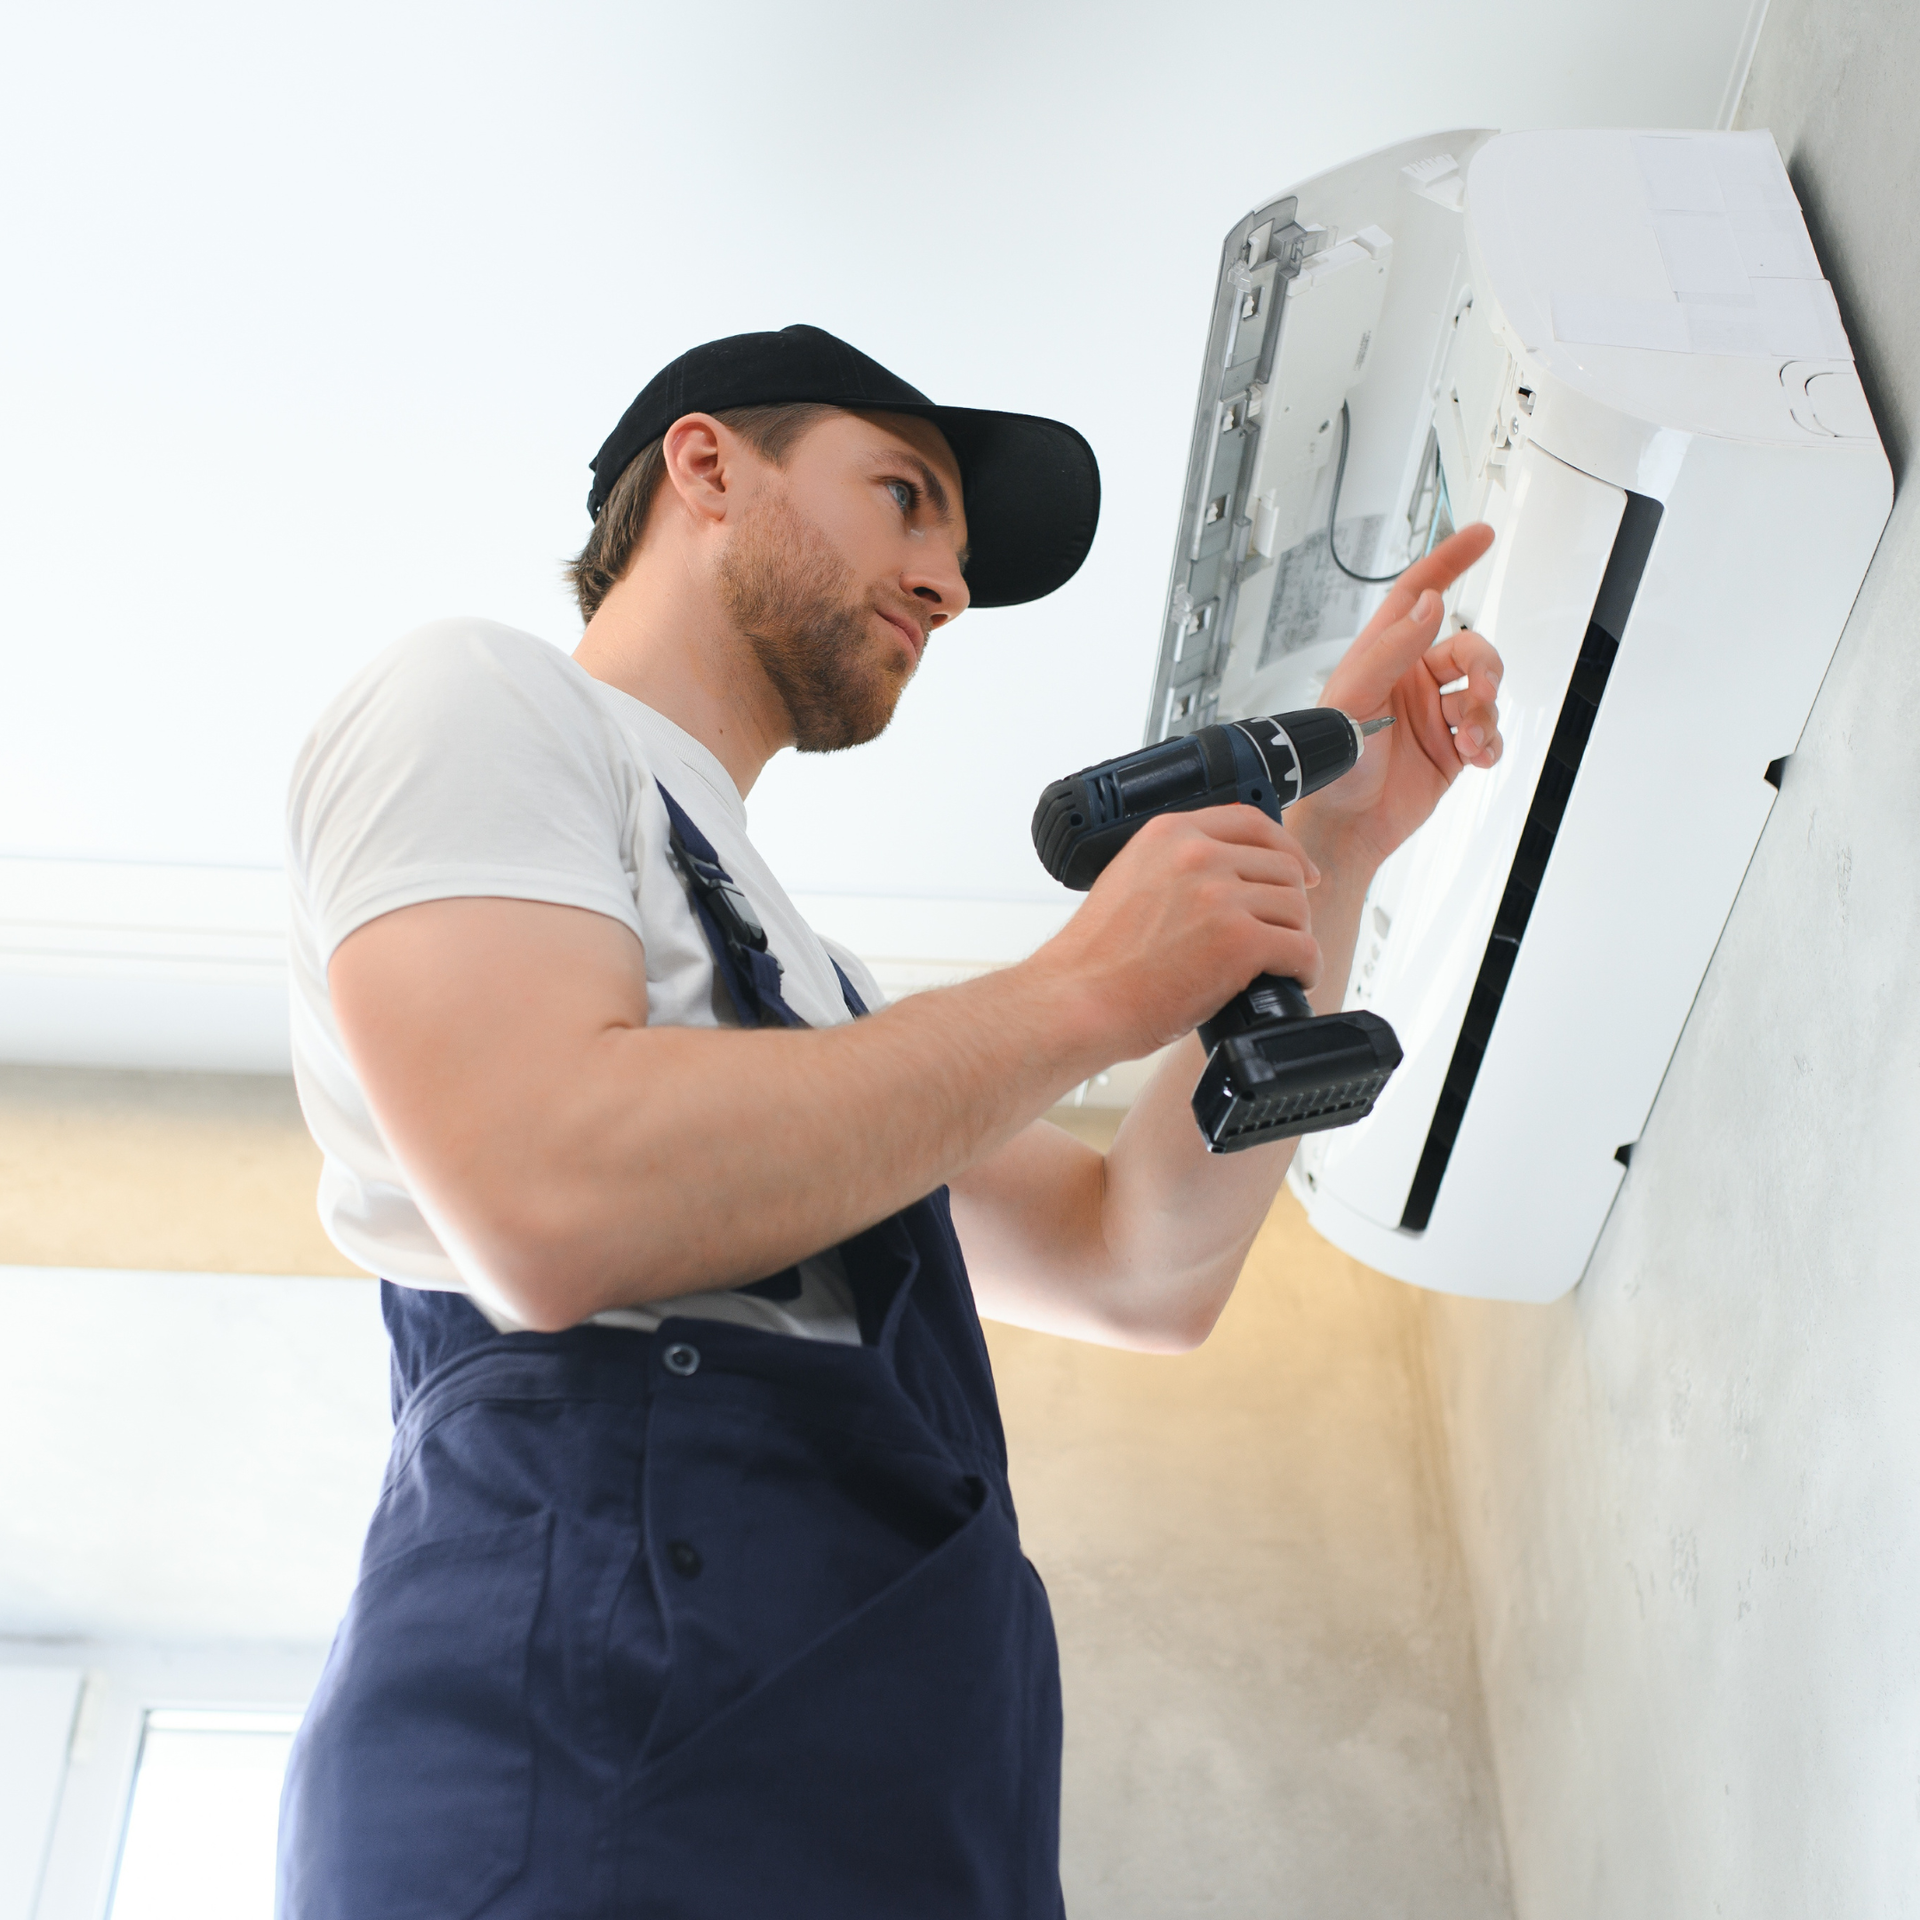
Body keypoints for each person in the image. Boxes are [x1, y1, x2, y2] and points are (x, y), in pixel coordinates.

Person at [275, 323, 1504, 1918]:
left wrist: (1335, 844)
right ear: (707, 464)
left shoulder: (824, 1000)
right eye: (906, 497)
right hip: (599, 1737)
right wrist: (1084, 989)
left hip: (908, 1753)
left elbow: (1139, 1268)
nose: (946, 583)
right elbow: (550, 1193)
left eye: (956, 551)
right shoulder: (473, 697)